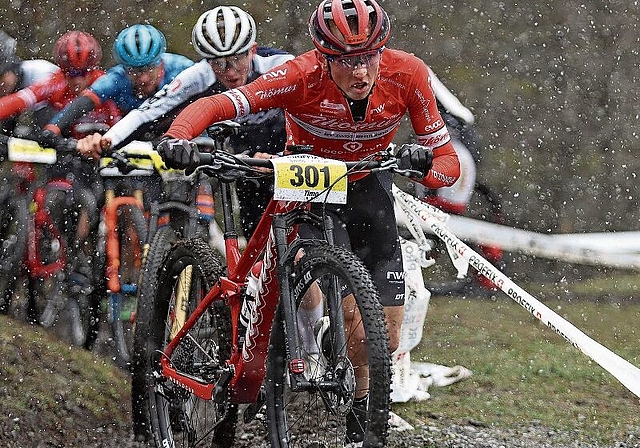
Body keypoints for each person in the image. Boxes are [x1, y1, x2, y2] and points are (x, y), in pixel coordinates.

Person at [157, 0, 460, 444]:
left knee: (382, 340)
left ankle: (359, 417)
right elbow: (222, 104)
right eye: (346, 62)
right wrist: (177, 137)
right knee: (322, 290)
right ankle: (301, 343)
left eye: (369, 57)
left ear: (383, 50)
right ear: (324, 56)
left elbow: (448, 162)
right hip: (310, 186)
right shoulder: (300, 74)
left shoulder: (408, 73)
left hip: (367, 188)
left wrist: (422, 166)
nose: (360, 72)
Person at [76, 6, 294, 238]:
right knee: (257, 239)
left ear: (252, 50)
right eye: (218, 62)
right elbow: (147, 112)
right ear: (206, 61)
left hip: (289, 149)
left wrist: (286, 154)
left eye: (236, 59)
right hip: (246, 159)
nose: (229, 71)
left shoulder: (280, 64)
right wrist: (107, 140)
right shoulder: (200, 74)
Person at [42, 24, 193, 140]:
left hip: (181, 127)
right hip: (136, 133)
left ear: (160, 62)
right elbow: (85, 101)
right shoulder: (116, 78)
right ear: (125, 68)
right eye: (135, 71)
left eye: (149, 68)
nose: (143, 78)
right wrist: (53, 128)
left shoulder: (182, 69)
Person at [0, 31, 121, 139]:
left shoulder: (105, 82)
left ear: (94, 68)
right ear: (62, 70)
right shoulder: (57, 82)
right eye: (72, 73)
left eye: (84, 72)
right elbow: (18, 100)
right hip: (70, 148)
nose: (78, 80)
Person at [0, 30, 58, 135]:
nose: (1, 85)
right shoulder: (14, 82)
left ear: (13, 68)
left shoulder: (41, 73)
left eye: (1, 78)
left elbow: (45, 133)